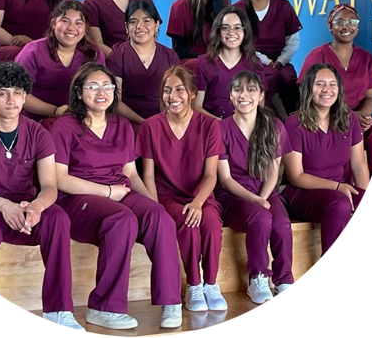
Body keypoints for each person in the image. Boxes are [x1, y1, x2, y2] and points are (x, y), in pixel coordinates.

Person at [0, 62, 86, 338]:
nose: (11, 100)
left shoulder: (38, 133)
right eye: (3, 93)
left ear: (25, 96)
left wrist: (36, 206)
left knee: (58, 218)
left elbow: (50, 185)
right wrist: (3, 205)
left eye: (17, 92)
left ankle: (57, 313)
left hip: (24, 209)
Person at [49, 63, 183, 330]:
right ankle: (104, 307)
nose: (102, 92)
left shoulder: (122, 125)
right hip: (77, 199)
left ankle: (171, 301)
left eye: (107, 86)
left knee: (160, 218)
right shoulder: (63, 126)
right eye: (93, 87)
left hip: (120, 191)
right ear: (78, 92)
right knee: (121, 218)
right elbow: (59, 179)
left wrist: (151, 204)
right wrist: (107, 192)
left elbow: (131, 175)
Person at [136, 66, 227, 312]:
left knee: (210, 224)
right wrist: (156, 209)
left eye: (179, 90)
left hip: (200, 194)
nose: (172, 96)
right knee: (187, 223)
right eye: (167, 91)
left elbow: (211, 174)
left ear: (192, 93)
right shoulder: (150, 126)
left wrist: (198, 202)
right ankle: (194, 285)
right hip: (167, 196)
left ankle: (211, 283)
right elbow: (148, 175)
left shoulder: (209, 125)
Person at [283, 63, 372, 296]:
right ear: (309, 89)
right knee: (340, 203)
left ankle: (357, 271)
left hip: (339, 190)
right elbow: (296, 175)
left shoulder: (349, 120)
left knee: (368, 203)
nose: (327, 90)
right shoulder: (294, 123)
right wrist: (337, 187)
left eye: (332, 84)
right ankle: (330, 274)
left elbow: (358, 164)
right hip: (301, 192)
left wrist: (364, 199)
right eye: (320, 84)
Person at [216, 71, 299, 305]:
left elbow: (274, 170)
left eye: (251, 89)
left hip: (265, 191)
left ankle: (284, 279)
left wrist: (263, 197)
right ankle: (258, 277)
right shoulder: (220, 129)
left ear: (261, 95)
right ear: (230, 96)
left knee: (282, 223)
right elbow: (225, 179)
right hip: (233, 196)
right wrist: (255, 201)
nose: (244, 95)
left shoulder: (274, 125)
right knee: (261, 219)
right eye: (238, 90)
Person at [298, 4, 372, 215]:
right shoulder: (317, 55)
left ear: (357, 26)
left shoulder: (367, 58)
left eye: (352, 22)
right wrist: (348, 116)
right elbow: (307, 94)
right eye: (340, 22)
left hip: (358, 117)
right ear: (330, 26)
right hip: (325, 116)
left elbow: (370, 97)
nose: (346, 26)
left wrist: (362, 116)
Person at [15, 0, 104, 122]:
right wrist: (55, 111)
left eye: (79, 23)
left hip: (82, 118)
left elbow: (100, 90)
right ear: (53, 23)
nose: (72, 28)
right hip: (37, 118)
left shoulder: (94, 53)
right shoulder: (33, 51)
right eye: (65, 21)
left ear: (85, 29)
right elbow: (17, 93)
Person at [233, 0, 302, 114]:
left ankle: (292, 121)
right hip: (248, 60)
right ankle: (262, 117)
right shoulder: (237, 10)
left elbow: (293, 41)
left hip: (280, 61)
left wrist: (280, 61)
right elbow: (238, 43)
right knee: (267, 77)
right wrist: (266, 61)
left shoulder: (283, 6)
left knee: (288, 78)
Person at [106, 0, 179, 130]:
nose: (140, 26)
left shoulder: (170, 56)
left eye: (146, 21)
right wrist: (143, 122)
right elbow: (115, 100)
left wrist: (161, 122)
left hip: (163, 122)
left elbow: (175, 95)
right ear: (126, 27)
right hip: (127, 124)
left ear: (156, 25)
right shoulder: (117, 55)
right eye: (133, 22)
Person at [194, 6, 269, 120]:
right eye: (225, 28)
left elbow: (260, 105)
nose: (231, 33)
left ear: (245, 31)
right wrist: (223, 125)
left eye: (237, 28)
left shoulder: (254, 64)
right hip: (213, 127)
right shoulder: (204, 63)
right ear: (218, 32)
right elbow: (196, 106)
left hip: (245, 127)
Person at [166, 0, 230, 69]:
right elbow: (179, 50)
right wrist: (204, 59)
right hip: (191, 62)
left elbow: (227, 32)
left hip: (220, 62)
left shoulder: (225, 5)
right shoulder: (180, 6)